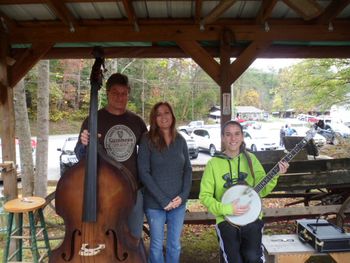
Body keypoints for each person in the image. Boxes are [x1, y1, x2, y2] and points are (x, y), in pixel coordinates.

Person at [199, 120, 289, 263]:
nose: (233, 138)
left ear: (242, 137)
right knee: (233, 259)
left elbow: (262, 190)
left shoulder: (251, 159)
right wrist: (227, 209)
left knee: (253, 257)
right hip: (225, 220)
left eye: (237, 134)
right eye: (228, 134)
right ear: (222, 137)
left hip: (251, 217)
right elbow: (204, 196)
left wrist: (276, 174)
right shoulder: (214, 164)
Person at [74, 72, 147, 240]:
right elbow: (79, 156)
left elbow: (148, 155)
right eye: (115, 93)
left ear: (128, 93)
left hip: (133, 189)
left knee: (135, 237)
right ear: (107, 93)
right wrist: (83, 145)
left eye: (124, 93)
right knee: (107, 239)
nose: (120, 97)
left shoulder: (137, 121)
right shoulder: (93, 119)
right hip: (104, 192)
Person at [137, 102, 192, 263]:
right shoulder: (147, 140)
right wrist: (163, 200)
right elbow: (144, 172)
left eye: (166, 112)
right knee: (155, 245)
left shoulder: (180, 139)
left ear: (172, 116)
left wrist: (182, 196)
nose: (163, 117)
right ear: (154, 119)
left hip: (178, 204)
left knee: (175, 245)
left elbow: (187, 169)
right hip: (155, 205)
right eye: (158, 114)